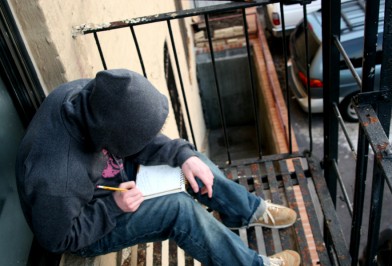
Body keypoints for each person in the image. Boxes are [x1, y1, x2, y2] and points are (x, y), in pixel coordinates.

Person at [16, 69, 301, 266]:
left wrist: (182, 154)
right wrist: (114, 205)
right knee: (178, 209)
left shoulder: (91, 96)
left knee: (192, 163)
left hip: (109, 179)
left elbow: (139, 139)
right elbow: (58, 239)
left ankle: (245, 210)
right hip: (91, 219)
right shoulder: (56, 178)